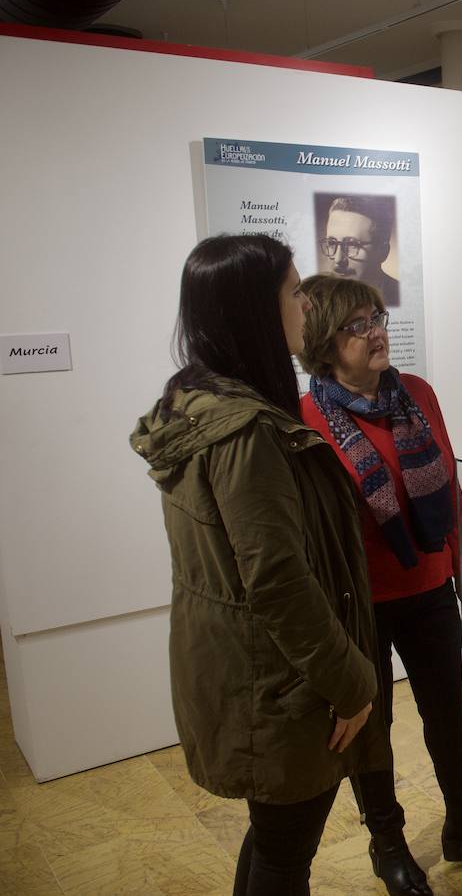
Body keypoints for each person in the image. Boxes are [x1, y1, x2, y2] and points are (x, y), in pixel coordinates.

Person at [130, 235, 388, 895]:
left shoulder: (196, 405)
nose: (306, 304)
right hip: (280, 686)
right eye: (294, 291)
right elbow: (276, 579)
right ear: (256, 309)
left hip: (250, 670)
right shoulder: (245, 433)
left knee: (276, 841)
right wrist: (352, 681)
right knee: (285, 854)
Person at [297, 275, 462, 886]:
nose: (377, 331)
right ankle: (388, 844)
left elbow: (447, 487)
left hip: (428, 589)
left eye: (377, 315)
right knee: (372, 729)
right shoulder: (305, 418)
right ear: (325, 344)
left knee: (451, 715)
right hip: (358, 604)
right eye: (357, 325)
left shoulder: (417, 394)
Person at [320, 194, 401, 306]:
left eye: (352, 244)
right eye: (332, 243)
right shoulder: (317, 298)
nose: (338, 259)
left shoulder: (399, 296)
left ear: (383, 251)